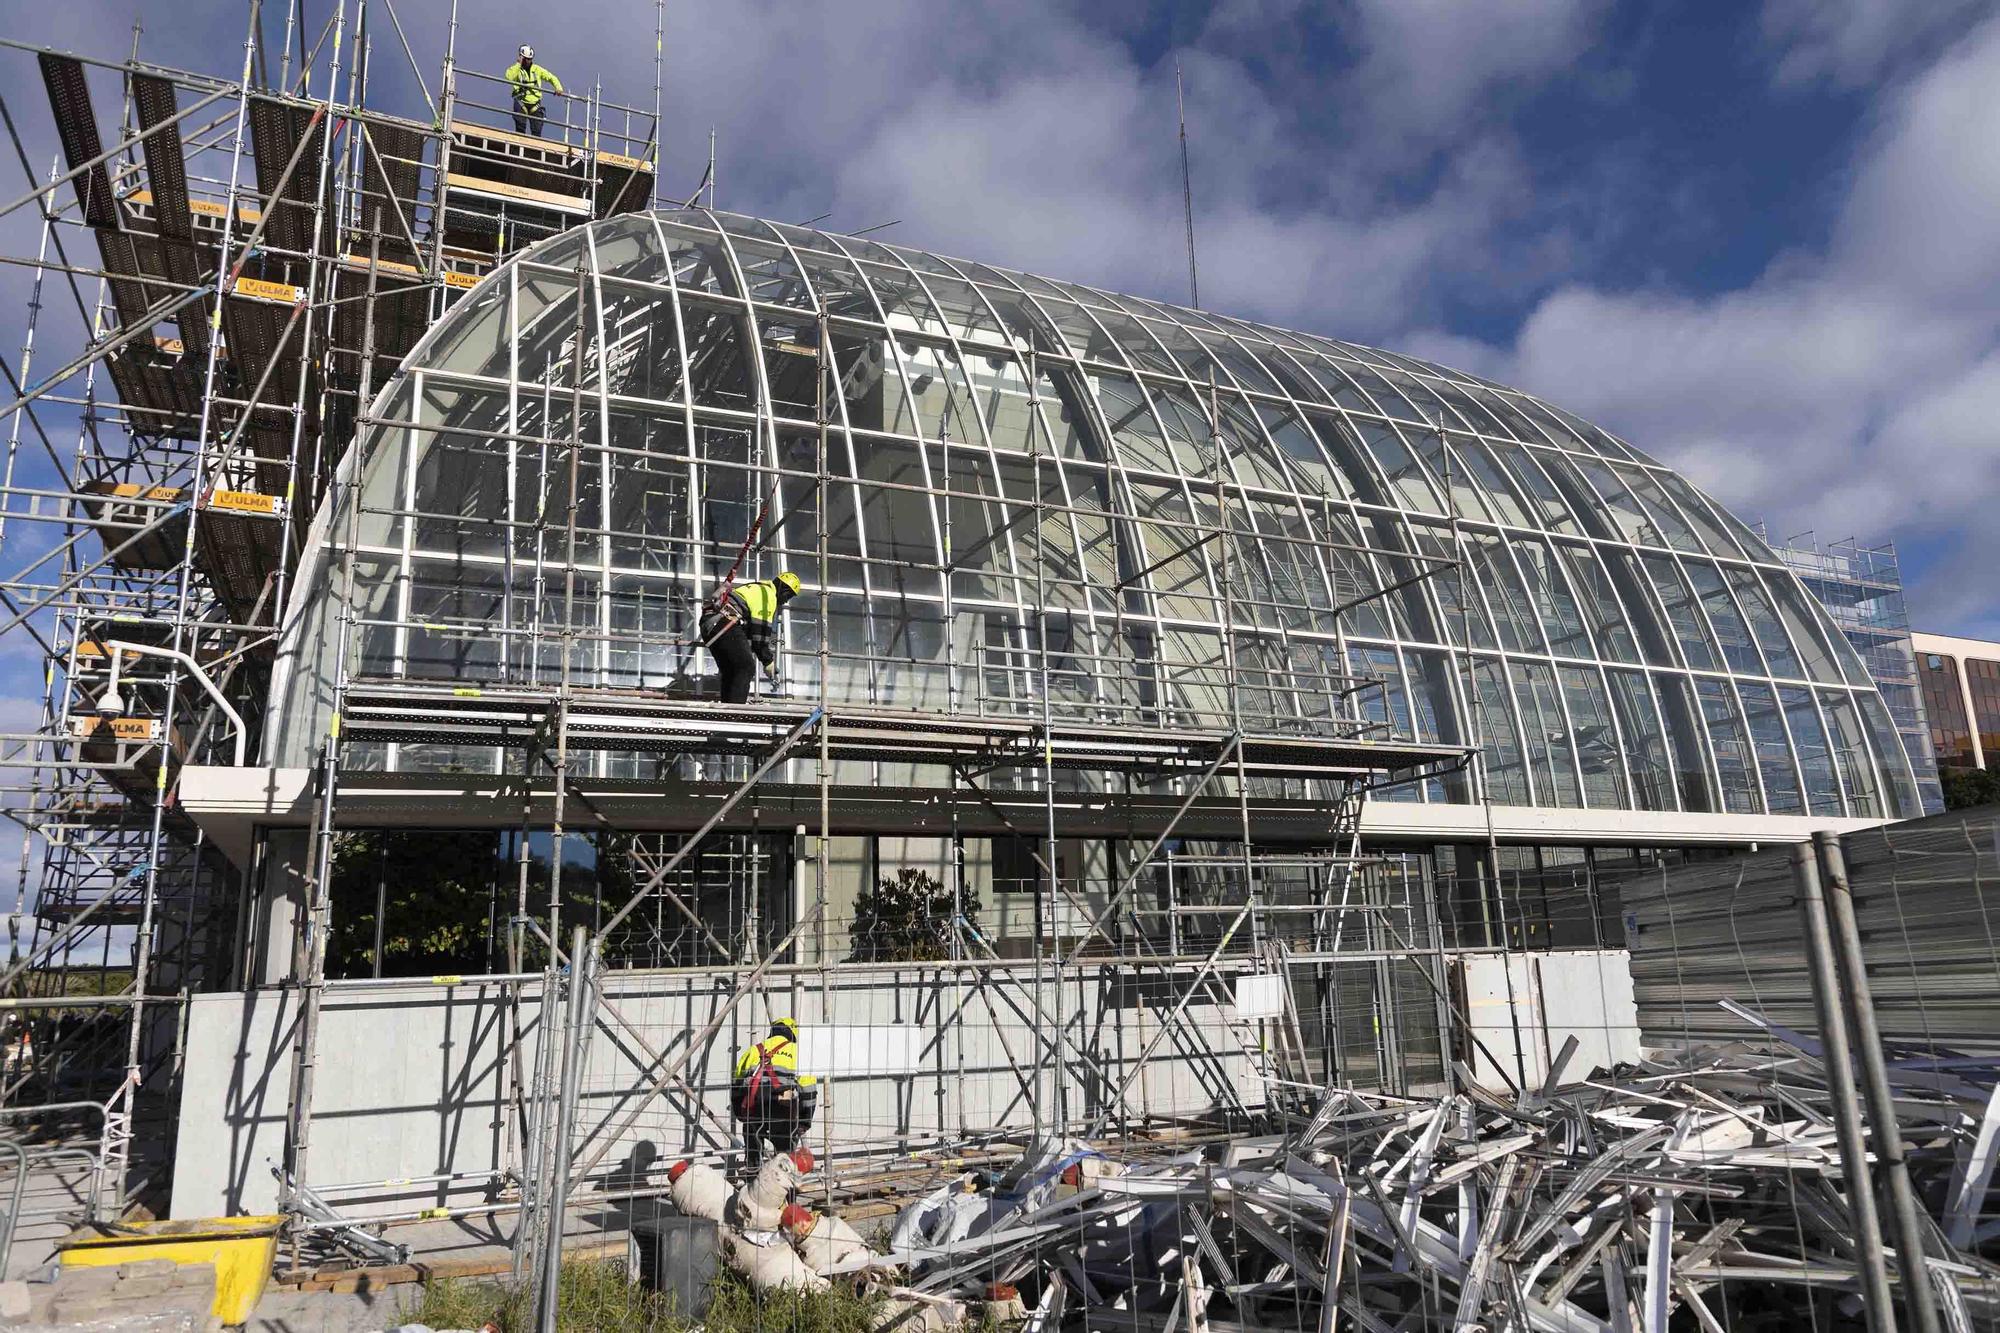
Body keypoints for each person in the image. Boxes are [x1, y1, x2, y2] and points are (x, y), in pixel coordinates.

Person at [730, 1017, 816, 1174]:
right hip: (783, 1114)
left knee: (753, 1158)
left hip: (754, 1112)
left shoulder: (754, 1050)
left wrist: (739, 1113)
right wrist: (805, 1121)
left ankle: (753, 1189)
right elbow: (808, 1091)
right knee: (784, 1162)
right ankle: (783, 1195)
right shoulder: (798, 1053)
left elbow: (736, 1083)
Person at [700, 572, 801, 704]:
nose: (786, 601)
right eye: (788, 596)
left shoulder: (757, 587)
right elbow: (759, 636)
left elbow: (751, 633)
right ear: (783, 588)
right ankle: (735, 713)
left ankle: (727, 710)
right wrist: (768, 662)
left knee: (731, 670)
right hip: (724, 623)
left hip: (712, 623)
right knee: (746, 667)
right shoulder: (768, 595)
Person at [505, 45, 564, 138]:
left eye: (529, 59)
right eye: (526, 59)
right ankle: (518, 148)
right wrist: (518, 64)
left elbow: (552, 77)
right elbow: (509, 77)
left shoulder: (537, 70)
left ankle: (533, 150)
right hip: (521, 101)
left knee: (536, 132)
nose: (528, 61)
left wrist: (558, 88)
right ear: (522, 57)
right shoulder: (516, 69)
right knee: (520, 129)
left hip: (535, 104)